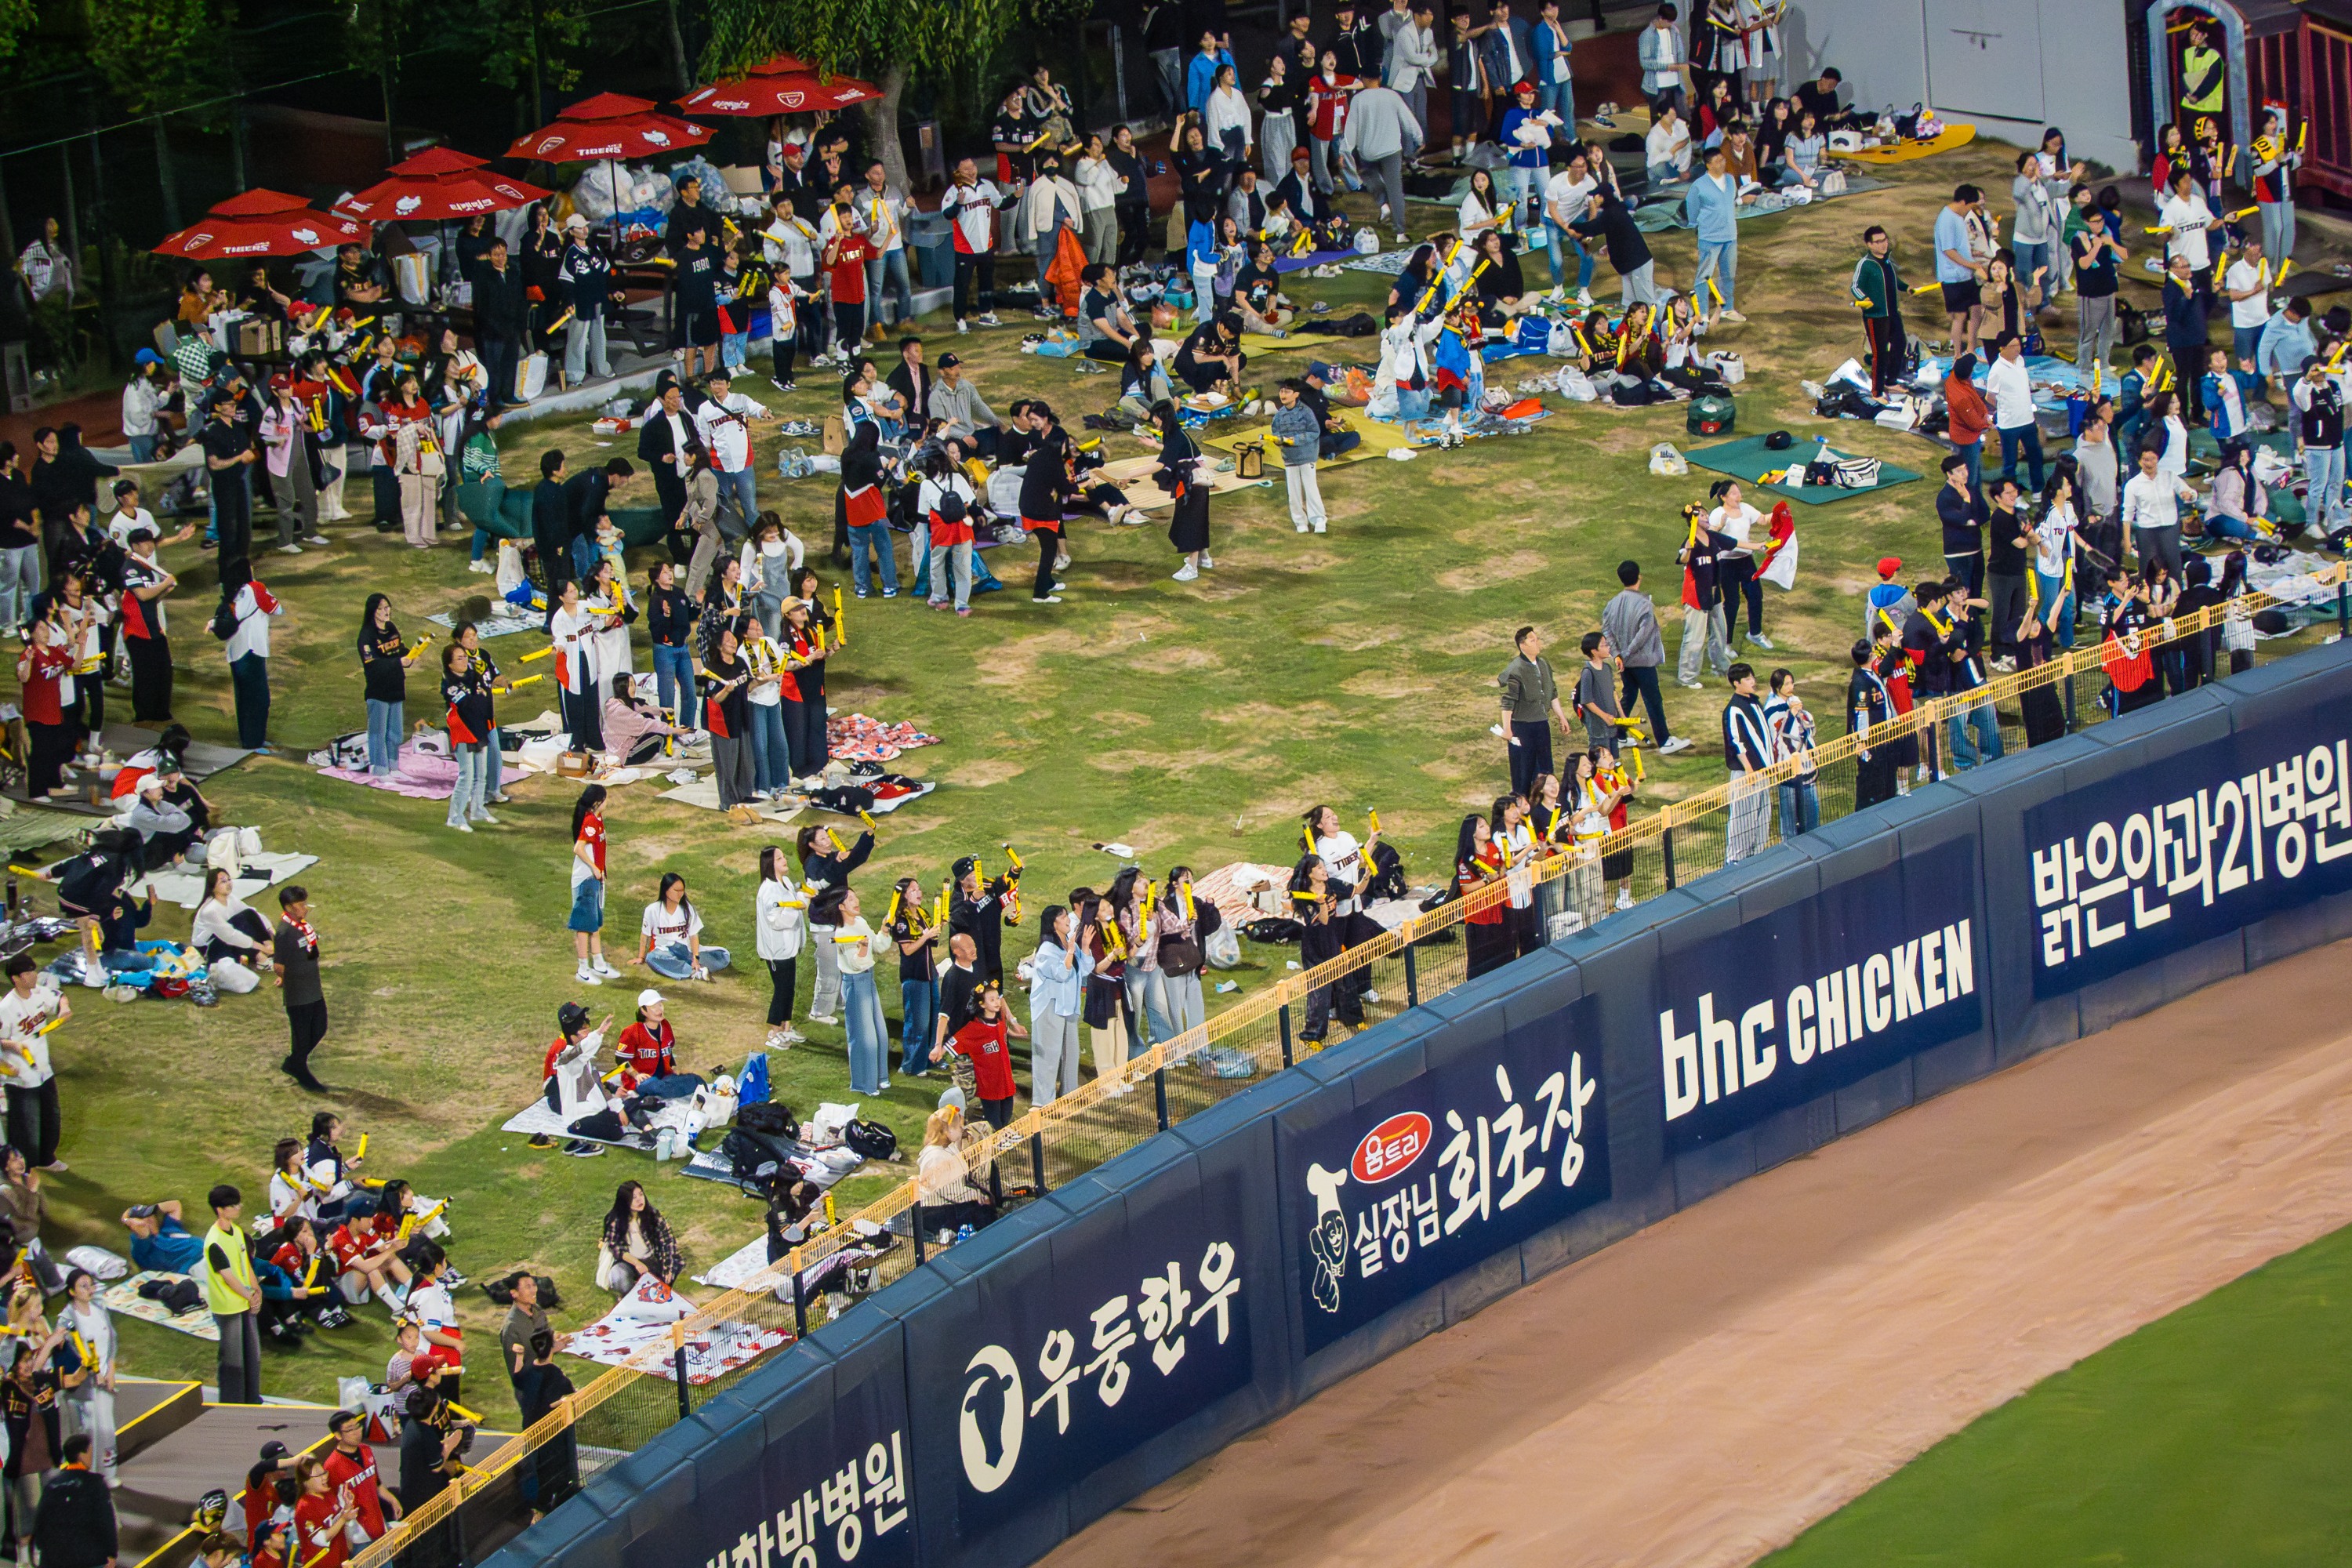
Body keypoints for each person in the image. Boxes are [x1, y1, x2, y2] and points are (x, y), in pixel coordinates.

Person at [1341, 78, 1421, 245]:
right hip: (1391, 149)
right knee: (1395, 189)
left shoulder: (1358, 99)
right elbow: (1408, 119)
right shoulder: (1392, 96)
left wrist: (1345, 150)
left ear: (1364, 79)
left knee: (1368, 175)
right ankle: (1400, 233)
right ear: (1379, 79)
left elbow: (1351, 128)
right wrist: (1418, 137)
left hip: (1368, 151)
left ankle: (1383, 205)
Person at [203, 1184, 263, 1403]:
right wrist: (250, 1296)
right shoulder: (214, 1242)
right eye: (233, 1205)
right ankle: (232, 1402)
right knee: (233, 1360)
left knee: (252, 1355)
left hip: (245, 1302)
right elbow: (228, 1276)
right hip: (228, 1307)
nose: (239, 1207)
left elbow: (245, 1264)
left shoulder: (237, 1232)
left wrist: (257, 1291)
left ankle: (252, 1398)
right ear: (220, 1209)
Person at [1684, 147, 1750, 328]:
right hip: (1710, 236)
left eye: (1723, 160)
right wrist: (1697, 225)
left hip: (1730, 234)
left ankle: (1728, 308)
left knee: (1728, 274)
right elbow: (1692, 209)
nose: (1722, 164)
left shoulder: (1730, 180)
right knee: (1704, 275)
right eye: (1718, 161)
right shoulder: (1699, 185)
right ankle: (1703, 313)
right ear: (1708, 165)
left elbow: (1730, 201)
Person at [324, 1408, 401, 1552]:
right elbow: (331, 1504)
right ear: (338, 1435)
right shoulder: (332, 1466)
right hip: (357, 1536)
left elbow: (377, 1484)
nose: (357, 1432)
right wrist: (345, 1539)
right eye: (350, 1429)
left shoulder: (366, 1450)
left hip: (379, 1524)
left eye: (358, 1426)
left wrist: (393, 1500)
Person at [914, 1105, 996, 1234]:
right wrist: (976, 1196)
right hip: (936, 1210)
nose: (962, 1129)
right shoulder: (935, 1156)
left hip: (951, 1203)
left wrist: (978, 1195)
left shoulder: (949, 1147)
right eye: (959, 1127)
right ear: (948, 1130)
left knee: (987, 1209)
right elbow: (948, 1191)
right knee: (983, 1215)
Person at [1721, 662, 1773, 862]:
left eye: (1753, 678)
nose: (1753, 682)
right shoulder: (1734, 709)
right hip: (1747, 774)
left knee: (1761, 818)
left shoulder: (1754, 703)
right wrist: (1749, 770)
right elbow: (1736, 742)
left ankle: (1757, 857)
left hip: (1762, 772)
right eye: (1748, 679)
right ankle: (1735, 861)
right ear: (1736, 683)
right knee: (1743, 820)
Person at [2122, 441, 2195, 579]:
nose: (2150, 463)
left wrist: (2189, 496)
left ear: (2158, 459)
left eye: (2153, 459)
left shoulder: (2169, 476)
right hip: (2147, 532)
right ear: (2139, 462)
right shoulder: (2132, 485)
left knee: (2174, 568)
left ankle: (2175, 592)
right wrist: (2127, 540)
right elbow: (2127, 515)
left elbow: (2190, 493)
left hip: (2170, 529)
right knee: (2149, 570)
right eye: (2146, 460)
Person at [1850, 226, 1908, 397]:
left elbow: (1894, 280)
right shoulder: (1865, 264)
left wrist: (1907, 288)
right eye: (1878, 242)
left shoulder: (1888, 261)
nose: (1883, 244)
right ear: (1869, 244)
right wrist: (1865, 299)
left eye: (1884, 240)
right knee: (1879, 354)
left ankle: (1891, 381)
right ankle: (1877, 391)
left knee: (1900, 344)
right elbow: (1855, 286)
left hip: (1893, 314)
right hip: (1876, 316)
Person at [638, 873, 728, 982]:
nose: (680, 894)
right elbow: (645, 935)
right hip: (665, 951)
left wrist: (696, 958)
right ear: (666, 890)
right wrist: (641, 957)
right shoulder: (652, 910)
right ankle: (694, 972)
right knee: (652, 958)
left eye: (682, 890)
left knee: (724, 956)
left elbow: (693, 936)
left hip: (687, 950)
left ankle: (691, 965)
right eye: (676, 891)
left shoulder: (687, 909)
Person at [1985, 331, 2043, 493]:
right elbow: (1990, 397)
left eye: (2018, 345)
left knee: (2035, 456)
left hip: (2028, 421)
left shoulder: (2020, 361)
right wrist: (2005, 407)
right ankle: (2012, 494)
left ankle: (2038, 490)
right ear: (2002, 348)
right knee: (2010, 463)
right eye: (2013, 346)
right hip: (2009, 425)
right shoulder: (1997, 370)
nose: (2017, 349)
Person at [1934, 185, 1987, 355]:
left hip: (1966, 274)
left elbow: (1959, 246)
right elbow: (1948, 250)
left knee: (1977, 309)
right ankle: (1957, 354)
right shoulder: (1947, 219)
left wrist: (1972, 255)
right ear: (1964, 202)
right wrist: (1971, 264)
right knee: (1960, 316)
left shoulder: (1958, 217)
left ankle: (1971, 349)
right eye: (1970, 206)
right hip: (1952, 277)